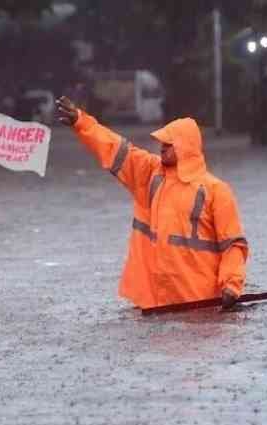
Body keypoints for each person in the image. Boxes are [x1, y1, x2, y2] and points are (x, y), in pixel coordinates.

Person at [55, 96, 249, 310]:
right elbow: (115, 148)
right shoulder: (150, 173)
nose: (162, 148)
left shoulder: (216, 190)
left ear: (186, 147)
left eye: (169, 144)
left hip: (199, 305)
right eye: (162, 143)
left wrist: (231, 286)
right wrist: (81, 122)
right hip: (154, 303)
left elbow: (233, 245)